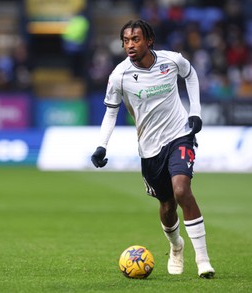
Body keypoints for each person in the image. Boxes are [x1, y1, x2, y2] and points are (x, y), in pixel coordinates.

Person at [91, 19, 215, 278]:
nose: (130, 45)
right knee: (167, 205)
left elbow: (190, 74)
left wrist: (195, 112)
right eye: (126, 40)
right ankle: (175, 246)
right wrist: (101, 146)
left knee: (182, 190)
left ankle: (203, 259)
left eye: (135, 39)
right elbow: (111, 112)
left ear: (149, 41)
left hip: (180, 135)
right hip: (149, 149)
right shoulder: (119, 76)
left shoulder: (171, 61)